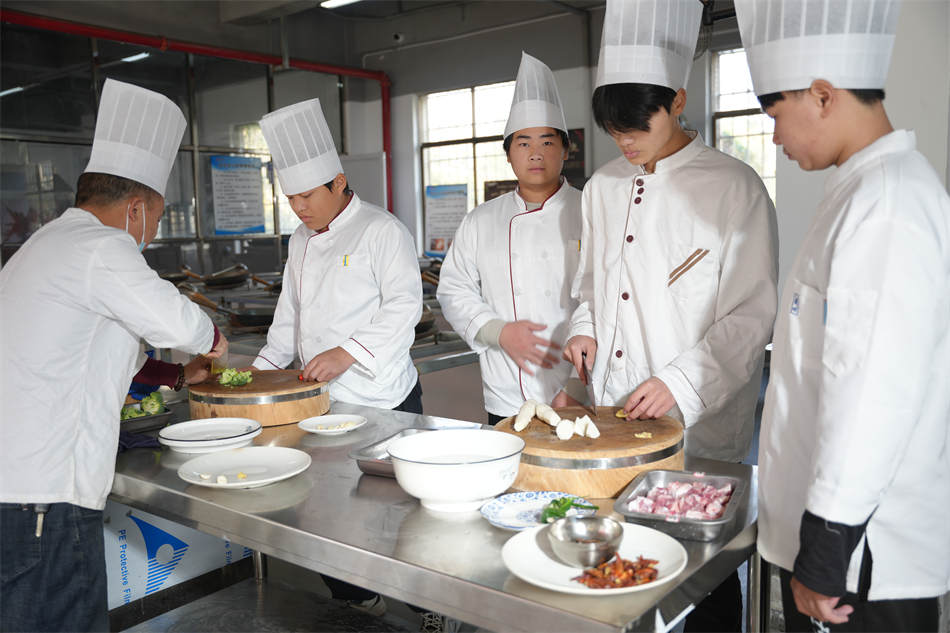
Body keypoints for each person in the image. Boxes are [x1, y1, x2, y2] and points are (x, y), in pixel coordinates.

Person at [558, 1, 779, 630]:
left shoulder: (733, 187)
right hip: (613, 413)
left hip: (697, 420)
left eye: (637, 128)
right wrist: (584, 328)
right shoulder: (603, 187)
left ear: (678, 101)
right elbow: (592, 284)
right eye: (614, 132)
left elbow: (752, 314)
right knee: (622, 564)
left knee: (701, 572)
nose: (626, 144)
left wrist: (678, 383)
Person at [735, 1, 950, 630]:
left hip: (858, 559)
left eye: (776, 115)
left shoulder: (887, 203)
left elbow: (871, 394)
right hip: (840, 541)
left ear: (823, 96)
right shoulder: (864, 190)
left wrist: (826, 552)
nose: (776, 136)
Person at [0, 78, 228, 632]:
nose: (151, 231)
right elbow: (181, 321)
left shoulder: (47, 244)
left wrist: (179, 374)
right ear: (135, 208)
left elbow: (105, 352)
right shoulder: (101, 247)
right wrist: (214, 339)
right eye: (156, 217)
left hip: (20, 494)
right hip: (46, 500)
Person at [253, 98, 425, 620]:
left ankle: (426, 607)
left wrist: (348, 352)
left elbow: (405, 306)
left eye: (307, 195)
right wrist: (257, 377)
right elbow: (290, 316)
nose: (299, 208)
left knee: (399, 514)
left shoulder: (381, 230)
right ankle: (356, 600)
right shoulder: (299, 240)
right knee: (327, 509)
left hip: (382, 397)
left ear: (339, 182)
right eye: (291, 198)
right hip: (322, 404)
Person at [438, 52, 582, 425]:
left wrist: (579, 387)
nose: (535, 154)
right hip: (505, 389)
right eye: (523, 143)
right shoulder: (481, 220)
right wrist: (498, 332)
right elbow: (453, 289)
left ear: (566, 150)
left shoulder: (592, 212)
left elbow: (608, 300)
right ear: (508, 155)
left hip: (578, 390)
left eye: (547, 143)